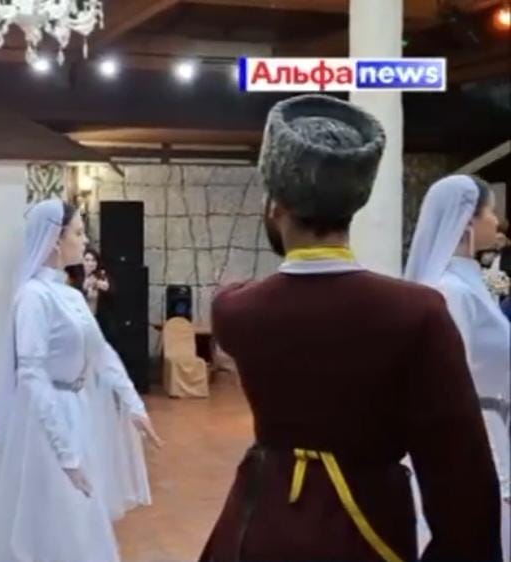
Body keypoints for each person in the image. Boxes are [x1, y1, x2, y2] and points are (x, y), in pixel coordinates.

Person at [200, 94, 501, 561]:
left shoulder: (235, 309)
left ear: (275, 205)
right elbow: (461, 476)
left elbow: (238, 294)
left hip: (259, 528)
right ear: (355, 204)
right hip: (368, 533)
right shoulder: (417, 312)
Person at [0, 199, 162, 562]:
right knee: (51, 519)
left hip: (78, 412)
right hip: (44, 423)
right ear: (56, 240)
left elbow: (101, 353)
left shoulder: (70, 294)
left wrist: (133, 404)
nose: (85, 241)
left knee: (82, 519)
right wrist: (64, 451)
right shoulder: (32, 297)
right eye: (78, 233)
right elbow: (31, 373)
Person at [404, 174, 510, 562]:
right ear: (467, 220)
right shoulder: (451, 291)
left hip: (496, 423)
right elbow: (453, 382)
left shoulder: (470, 282)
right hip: (479, 435)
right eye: (490, 212)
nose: (496, 222)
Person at [65, 255, 153, 520]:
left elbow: (105, 351)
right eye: (86, 259)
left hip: (100, 335)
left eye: (92, 259)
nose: (89, 263)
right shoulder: (70, 288)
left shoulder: (102, 280)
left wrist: (134, 404)